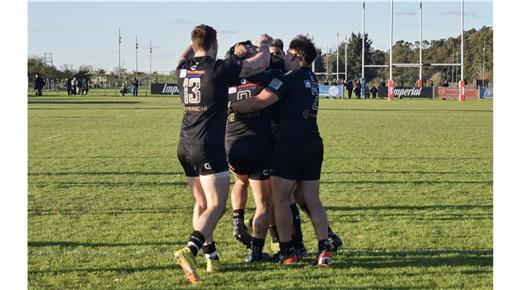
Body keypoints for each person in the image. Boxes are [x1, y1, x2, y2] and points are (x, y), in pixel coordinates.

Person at [173, 24, 271, 284]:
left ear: (194, 46)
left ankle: (212, 258)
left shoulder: (183, 68)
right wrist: (263, 43)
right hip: (208, 145)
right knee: (216, 206)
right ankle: (190, 249)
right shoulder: (218, 68)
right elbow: (260, 64)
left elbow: (184, 58)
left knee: (201, 204)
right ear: (215, 45)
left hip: (184, 145)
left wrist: (195, 47)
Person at [230, 35, 334, 267]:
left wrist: (231, 105)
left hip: (290, 145)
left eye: (288, 54)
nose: (285, 57)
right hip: (313, 143)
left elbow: (259, 102)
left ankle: (287, 251)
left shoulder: (288, 79)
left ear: (297, 56)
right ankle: (324, 247)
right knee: (312, 199)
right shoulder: (312, 78)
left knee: (279, 200)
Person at [225, 40, 283, 262]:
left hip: (231, 143)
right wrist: (265, 47)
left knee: (240, 182)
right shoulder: (265, 76)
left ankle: (238, 221)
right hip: (258, 143)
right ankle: (256, 251)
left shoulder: (226, 78)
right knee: (263, 204)